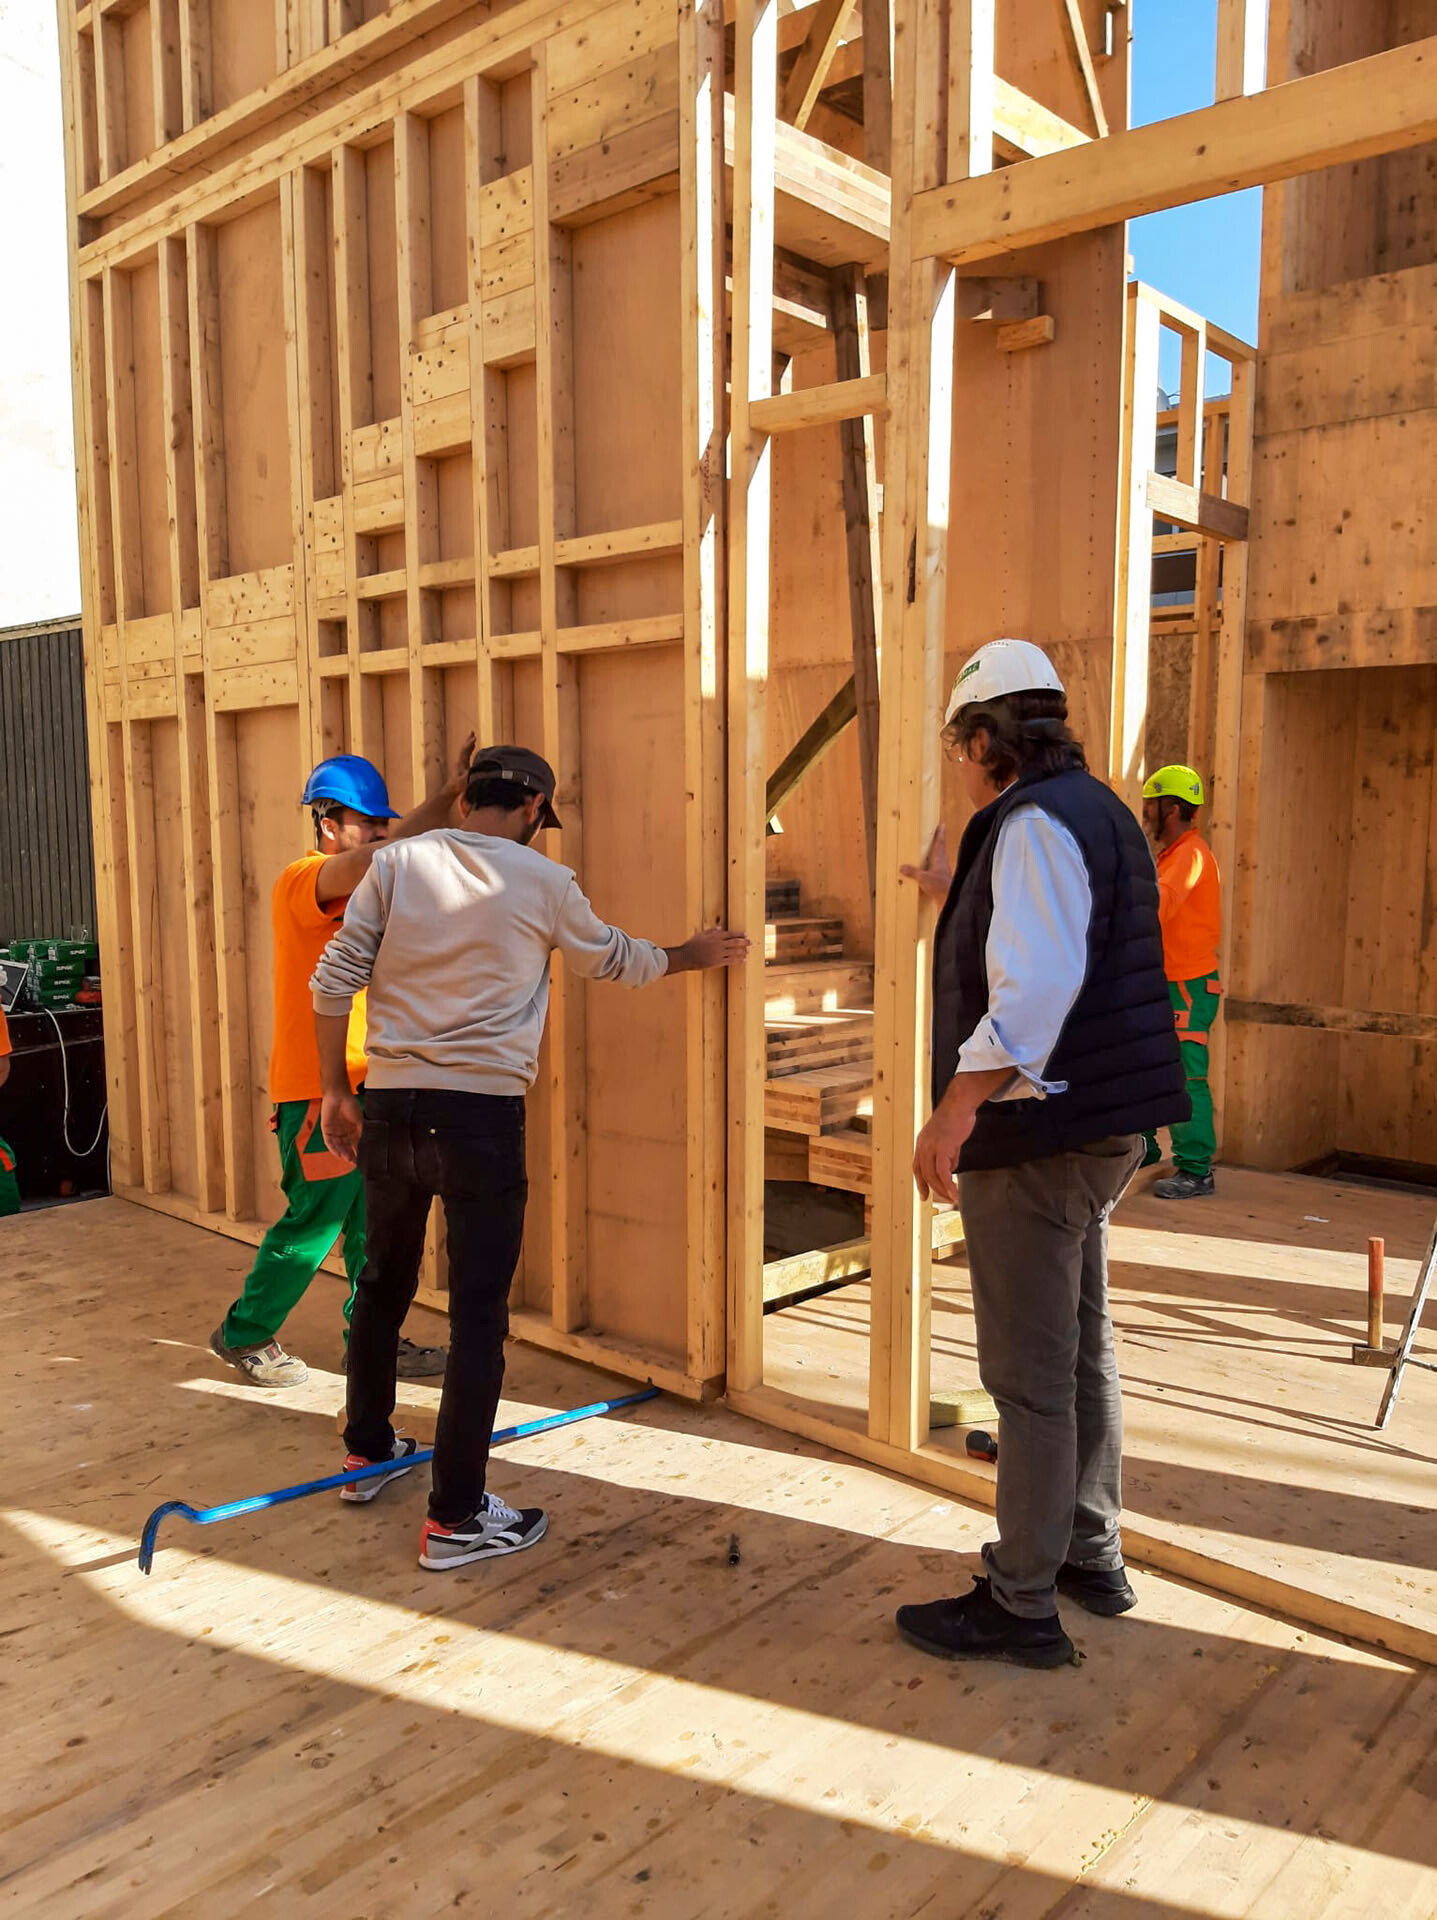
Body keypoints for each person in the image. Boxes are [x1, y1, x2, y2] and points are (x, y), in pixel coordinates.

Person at [311, 745, 748, 1570]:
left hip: (391, 1107)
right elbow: (613, 957)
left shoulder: (396, 864)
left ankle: (366, 1456)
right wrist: (690, 955)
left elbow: (333, 981)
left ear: (467, 798)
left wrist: (336, 1091)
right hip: (477, 1119)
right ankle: (455, 1517)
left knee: (380, 1285)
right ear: (535, 807)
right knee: (478, 1317)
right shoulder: (544, 883)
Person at [895, 639, 1188, 1669]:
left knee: (1027, 1378)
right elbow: (1063, 941)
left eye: (963, 747)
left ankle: (1021, 1603)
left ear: (988, 740)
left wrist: (953, 1113)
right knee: (1080, 1347)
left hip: (1040, 1132)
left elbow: (1033, 997)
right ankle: (1087, 1553)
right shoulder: (1097, 809)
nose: (964, 766)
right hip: (1103, 1124)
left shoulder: (1025, 826)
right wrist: (957, 896)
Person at [210, 745, 473, 1389]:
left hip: (368, 1083)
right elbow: (375, 861)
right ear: (329, 823)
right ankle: (244, 1332)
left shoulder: (365, 891)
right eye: (371, 821)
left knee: (374, 1228)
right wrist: (444, 799)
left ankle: (371, 1338)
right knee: (317, 1219)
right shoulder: (303, 879)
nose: (383, 832)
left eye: (388, 822)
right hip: (314, 1090)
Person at [1140, 764, 1222, 1199]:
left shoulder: (1191, 855)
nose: (1145, 814)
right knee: (1149, 1064)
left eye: (1149, 807)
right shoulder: (1171, 857)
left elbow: (1159, 905)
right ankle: (1145, 1150)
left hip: (1188, 986)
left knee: (1186, 1077)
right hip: (1166, 981)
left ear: (1171, 809)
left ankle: (1196, 1170)